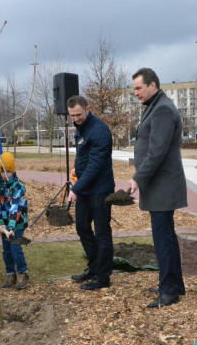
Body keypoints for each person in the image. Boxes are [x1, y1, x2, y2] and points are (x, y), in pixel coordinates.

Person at [128, 68, 186, 309]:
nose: (136, 93)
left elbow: (157, 152)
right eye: (134, 90)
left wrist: (137, 178)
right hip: (160, 187)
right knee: (167, 239)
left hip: (162, 188)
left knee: (163, 240)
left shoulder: (162, 109)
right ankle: (173, 284)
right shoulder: (156, 105)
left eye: (139, 88)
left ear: (153, 85)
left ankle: (169, 291)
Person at [66, 95, 115, 291]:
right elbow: (85, 157)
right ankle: (94, 267)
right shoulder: (81, 128)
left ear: (87, 108)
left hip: (100, 190)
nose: (76, 119)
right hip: (85, 188)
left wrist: (75, 188)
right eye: (72, 116)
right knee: (82, 228)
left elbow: (95, 165)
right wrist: (77, 170)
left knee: (102, 233)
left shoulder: (100, 130)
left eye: (78, 114)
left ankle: (103, 276)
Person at [0, 152, 30, 290]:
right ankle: (10, 274)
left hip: (17, 223)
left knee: (15, 247)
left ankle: (23, 274)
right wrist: (1, 224)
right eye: (2, 171)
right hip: (4, 224)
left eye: (8, 171)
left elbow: (16, 208)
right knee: (6, 250)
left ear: (12, 170)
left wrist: (11, 228)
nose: (5, 175)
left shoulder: (18, 186)